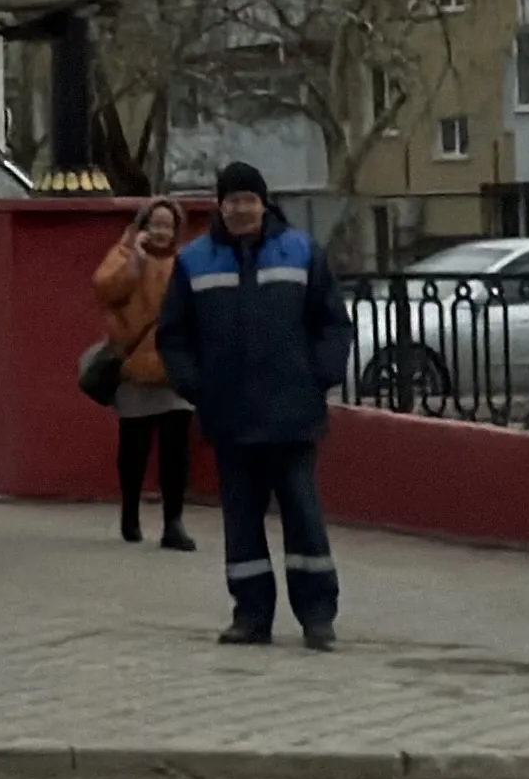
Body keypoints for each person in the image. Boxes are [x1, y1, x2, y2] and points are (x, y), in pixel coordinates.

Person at [155, 161, 348, 650]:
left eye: (249, 199)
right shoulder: (194, 261)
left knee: (304, 516)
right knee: (241, 522)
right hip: (230, 416)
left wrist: (321, 375)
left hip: (294, 413)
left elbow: (331, 322)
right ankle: (251, 616)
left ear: (264, 204)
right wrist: (197, 387)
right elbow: (174, 335)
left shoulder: (302, 252)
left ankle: (317, 617)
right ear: (220, 206)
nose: (241, 208)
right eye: (232, 200)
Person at [92, 198, 196, 550]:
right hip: (134, 366)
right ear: (143, 226)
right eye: (156, 224)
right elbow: (104, 290)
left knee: (176, 449)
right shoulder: (124, 255)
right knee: (134, 448)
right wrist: (135, 261)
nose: (162, 232)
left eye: (169, 225)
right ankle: (130, 512)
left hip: (175, 368)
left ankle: (173, 522)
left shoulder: (187, 262)